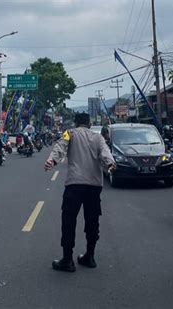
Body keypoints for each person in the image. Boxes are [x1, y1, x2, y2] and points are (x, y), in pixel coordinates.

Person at [45, 113, 116, 272]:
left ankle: (67, 259)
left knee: (68, 221)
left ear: (76, 123)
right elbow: (106, 154)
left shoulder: (69, 133)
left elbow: (59, 147)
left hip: (74, 184)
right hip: (93, 185)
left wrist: (52, 161)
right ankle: (90, 256)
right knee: (92, 221)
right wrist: (111, 165)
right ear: (90, 124)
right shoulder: (98, 138)